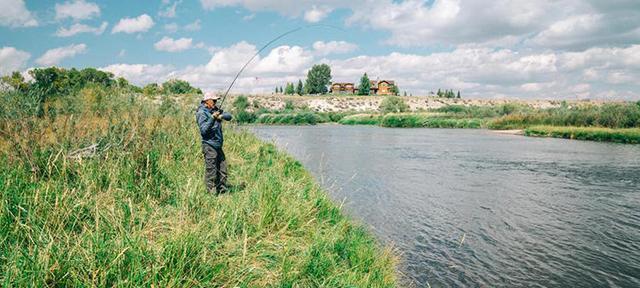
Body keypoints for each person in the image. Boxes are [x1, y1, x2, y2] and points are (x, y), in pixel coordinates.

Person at [196, 92, 233, 194]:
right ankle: (211, 193)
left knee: (223, 169)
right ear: (207, 101)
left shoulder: (214, 110)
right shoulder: (201, 113)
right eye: (214, 100)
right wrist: (212, 118)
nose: (216, 102)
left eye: (216, 100)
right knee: (211, 170)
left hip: (218, 145)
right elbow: (203, 130)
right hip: (209, 145)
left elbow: (229, 116)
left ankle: (222, 191)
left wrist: (221, 116)